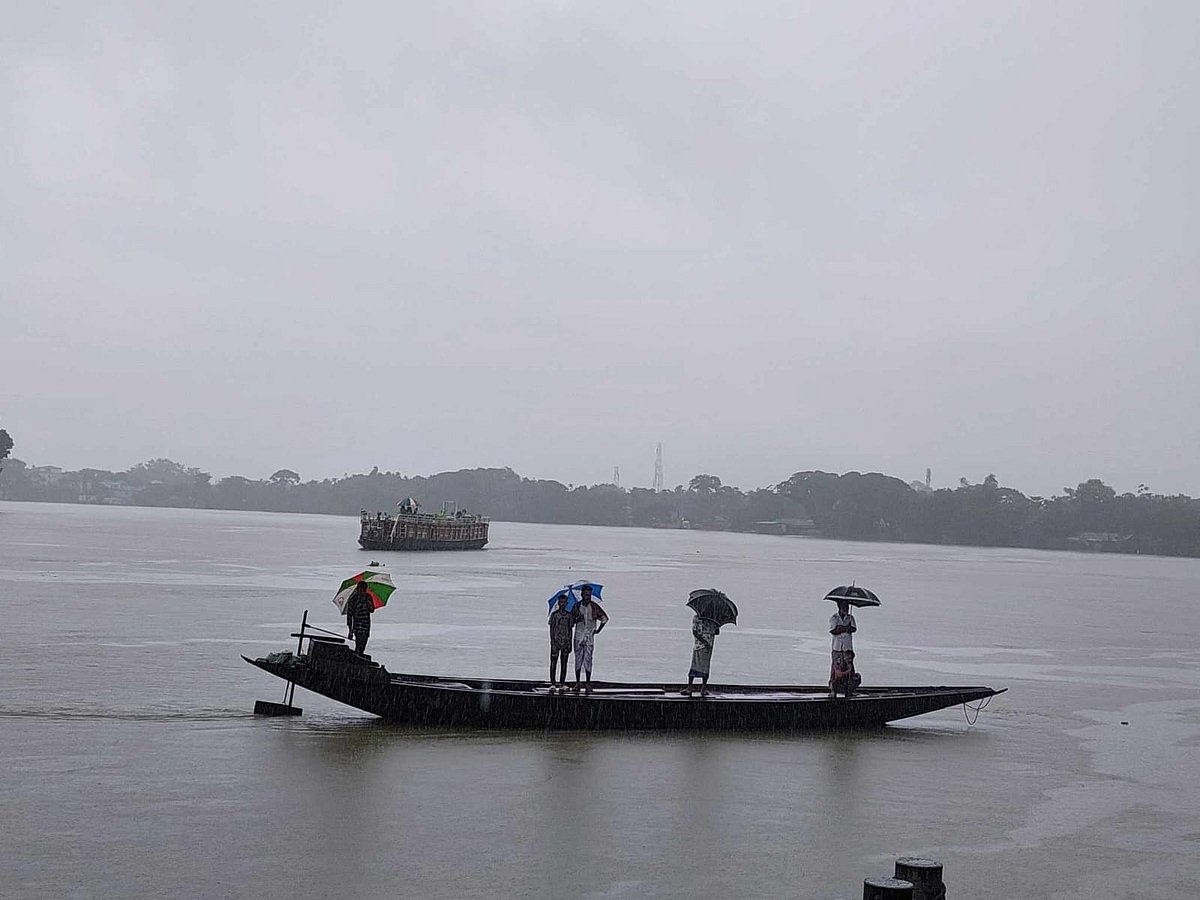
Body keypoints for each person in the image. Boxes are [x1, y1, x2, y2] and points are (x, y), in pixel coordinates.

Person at [571, 584, 608, 693]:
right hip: (578, 636)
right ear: (582, 595)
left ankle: (587, 683)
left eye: (589, 595)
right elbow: (570, 621)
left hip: (589, 637)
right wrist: (578, 619)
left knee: (588, 660)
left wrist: (598, 630)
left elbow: (604, 618)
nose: (588, 597)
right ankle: (577, 683)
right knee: (578, 659)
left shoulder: (594, 606)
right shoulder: (576, 606)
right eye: (586, 595)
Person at [682, 614, 718, 697]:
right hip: (706, 645)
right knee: (703, 667)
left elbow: (695, 632)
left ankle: (691, 688)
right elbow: (716, 632)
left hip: (701, 646)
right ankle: (701, 688)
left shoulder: (699, 617)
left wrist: (703, 641)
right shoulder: (712, 618)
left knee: (698, 666)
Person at [829, 599, 858, 697]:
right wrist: (846, 628)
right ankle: (834, 690)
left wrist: (842, 628)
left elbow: (853, 628)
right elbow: (834, 630)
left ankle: (848, 690)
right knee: (835, 670)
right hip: (837, 648)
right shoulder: (834, 618)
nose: (846, 608)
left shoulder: (850, 617)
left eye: (847, 607)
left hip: (847, 648)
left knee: (849, 670)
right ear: (839, 607)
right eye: (844, 607)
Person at [547, 593, 574, 693]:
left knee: (564, 663)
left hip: (566, 642)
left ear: (566, 603)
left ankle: (562, 683)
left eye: (564, 602)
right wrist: (552, 641)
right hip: (556, 642)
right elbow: (551, 628)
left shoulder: (569, 616)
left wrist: (570, 643)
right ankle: (553, 683)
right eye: (560, 602)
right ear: (558, 603)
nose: (562, 604)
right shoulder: (554, 615)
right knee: (553, 663)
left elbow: (570, 630)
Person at [346, 581, 375, 657]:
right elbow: (349, 616)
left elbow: (372, 610)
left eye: (364, 589)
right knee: (359, 643)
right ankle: (357, 657)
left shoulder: (368, 597)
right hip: (358, 625)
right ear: (358, 589)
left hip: (366, 625)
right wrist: (350, 631)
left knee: (363, 643)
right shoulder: (353, 599)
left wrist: (369, 603)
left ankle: (359, 656)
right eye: (361, 589)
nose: (362, 591)